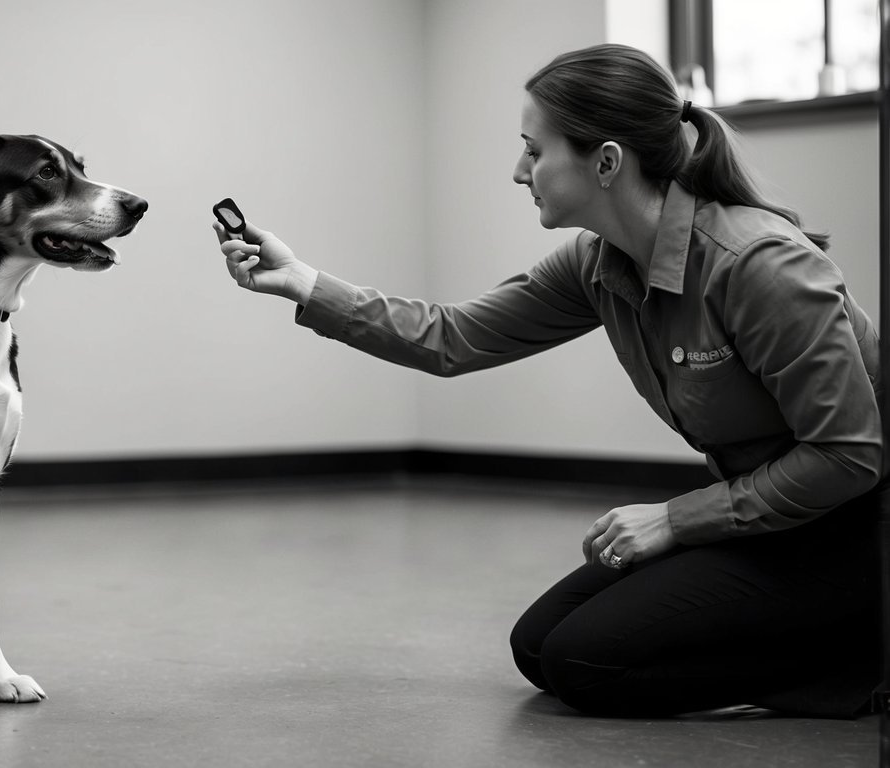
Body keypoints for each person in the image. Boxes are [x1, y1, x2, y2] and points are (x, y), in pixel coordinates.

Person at [213, 43, 883, 719]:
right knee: (538, 647)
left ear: (606, 161)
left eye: (533, 150)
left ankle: (862, 663)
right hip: (792, 514)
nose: (517, 171)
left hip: (859, 520)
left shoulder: (758, 265)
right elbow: (453, 336)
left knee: (585, 664)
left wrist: (677, 520)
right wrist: (304, 282)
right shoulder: (599, 262)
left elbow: (848, 454)